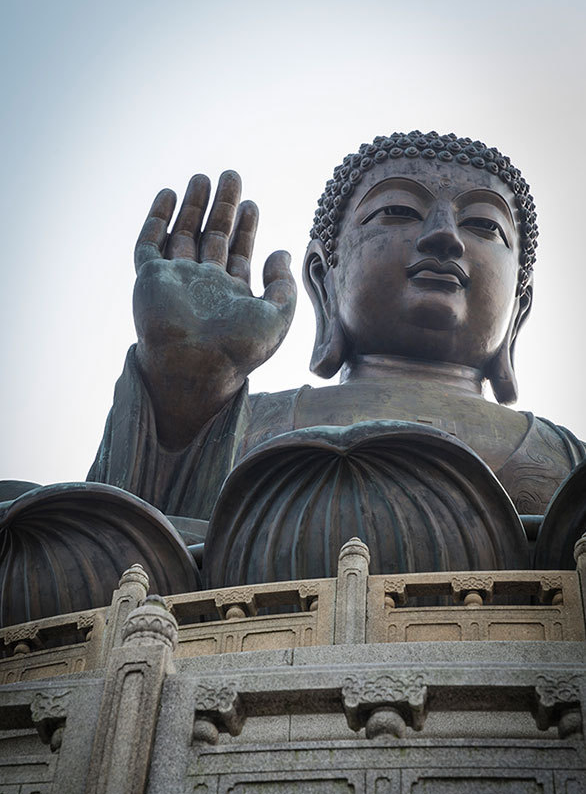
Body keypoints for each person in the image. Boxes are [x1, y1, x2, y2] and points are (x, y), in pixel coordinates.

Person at [89, 130, 584, 538]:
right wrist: (183, 388)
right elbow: (123, 549)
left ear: (519, 308)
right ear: (324, 280)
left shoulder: (565, 456)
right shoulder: (244, 423)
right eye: (397, 211)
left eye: (482, 224)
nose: (443, 236)